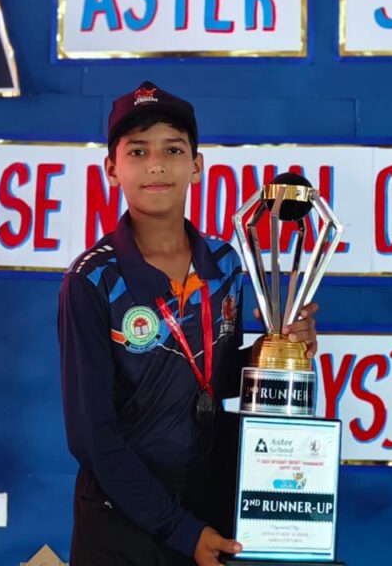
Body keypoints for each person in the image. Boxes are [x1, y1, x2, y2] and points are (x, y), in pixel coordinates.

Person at [58, 81, 318, 566]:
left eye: (173, 150)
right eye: (138, 151)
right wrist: (179, 529)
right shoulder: (92, 279)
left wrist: (275, 351)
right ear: (112, 169)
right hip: (122, 517)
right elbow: (92, 436)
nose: (156, 164)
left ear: (197, 165)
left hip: (205, 509)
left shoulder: (224, 265)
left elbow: (214, 377)